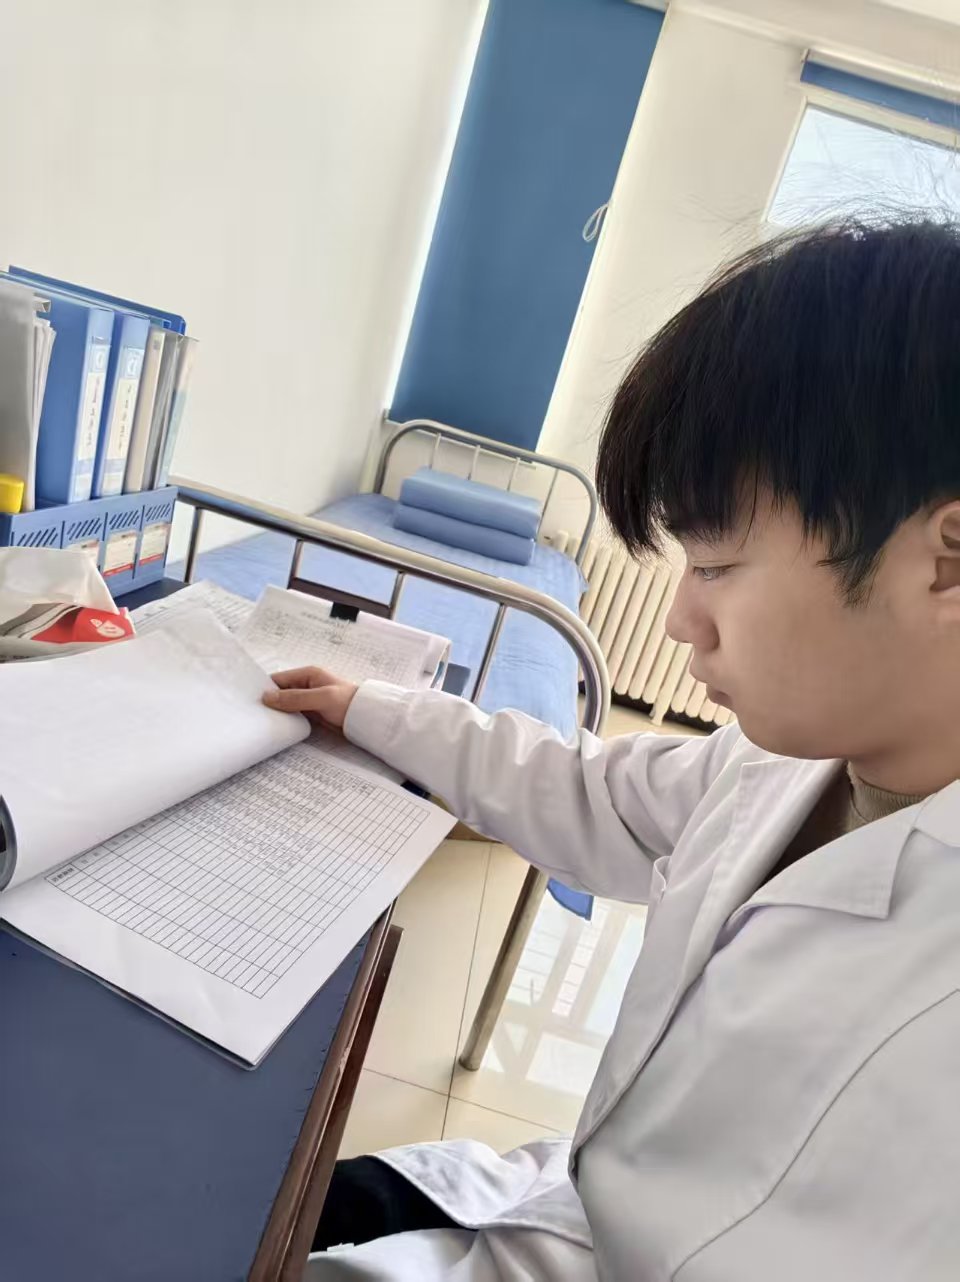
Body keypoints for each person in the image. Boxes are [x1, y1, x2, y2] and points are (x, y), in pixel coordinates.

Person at [266, 220, 960, 1281]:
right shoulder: (779, 762)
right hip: (564, 1200)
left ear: (946, 561)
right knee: (237, 1189)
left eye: (716, 564)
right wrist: (374, 709)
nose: (680, 618)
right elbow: (586, 790)